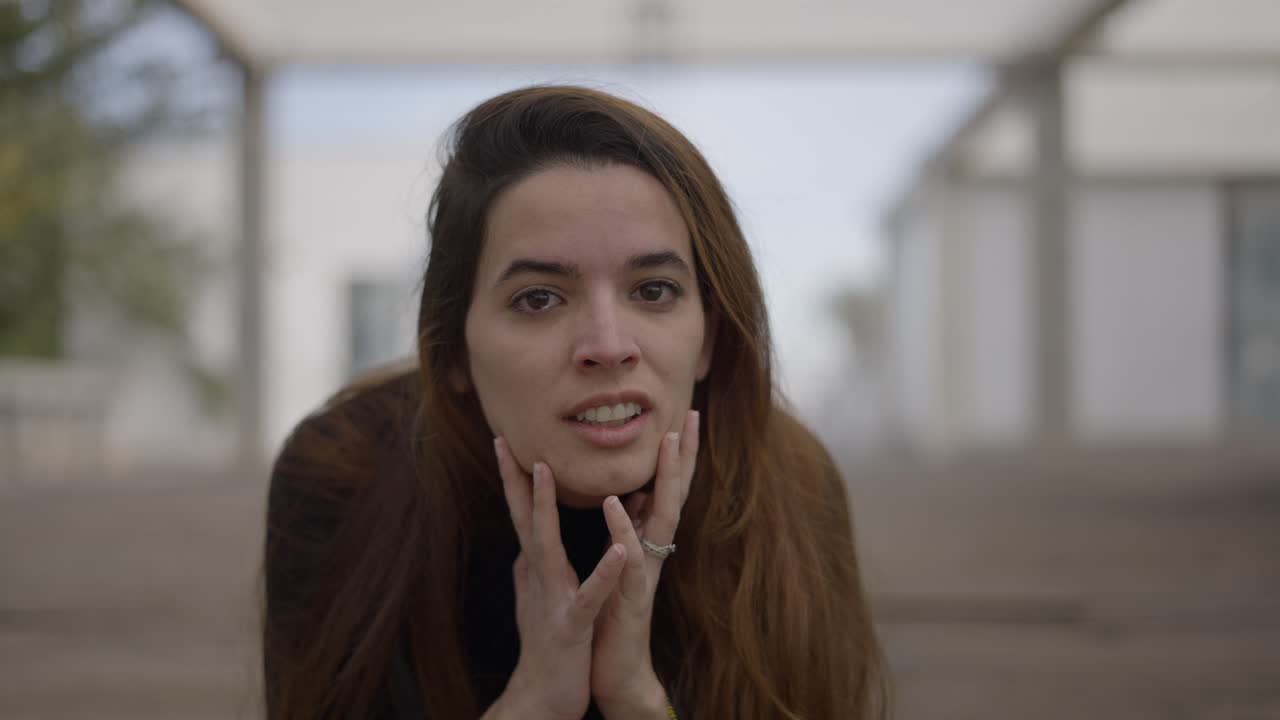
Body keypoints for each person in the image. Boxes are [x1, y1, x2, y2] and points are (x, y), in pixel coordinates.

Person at [263, 84, 887, 720]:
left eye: (653, 290)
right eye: (538, 299)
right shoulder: (349, 475)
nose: (608, 347)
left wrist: (638, 700)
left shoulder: (789, 485)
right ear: (452, 351)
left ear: (710, 337)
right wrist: (533, 705)